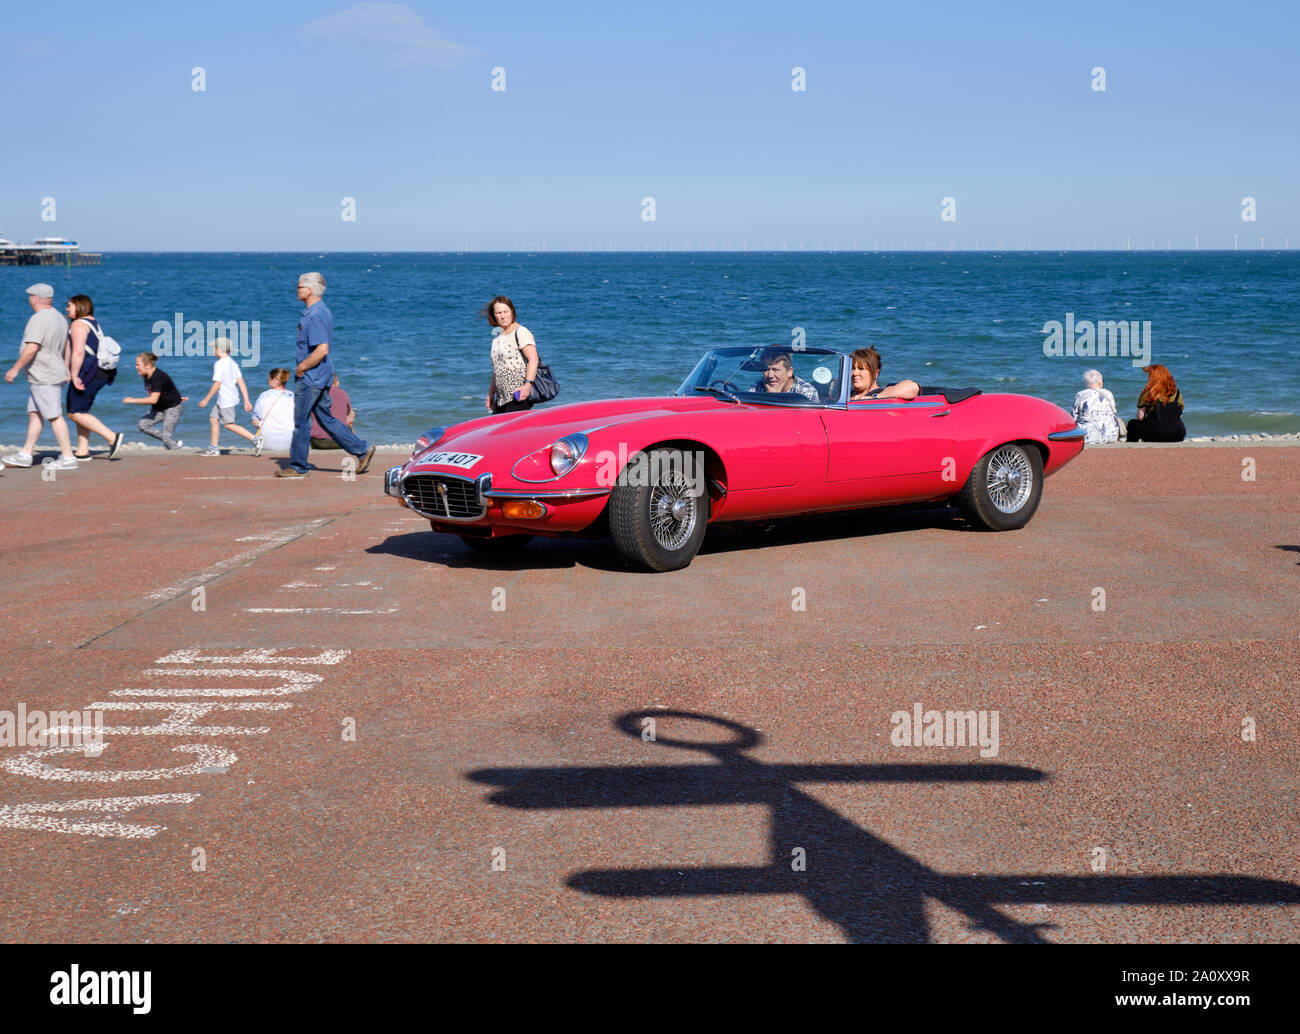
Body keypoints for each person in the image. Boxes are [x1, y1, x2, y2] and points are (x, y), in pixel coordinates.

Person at [280, 272, 375, 478]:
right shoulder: (319, 312)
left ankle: (298, 466)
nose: (296, 290)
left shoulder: (314, 315)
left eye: (299, 287)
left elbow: (322, 349)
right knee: (326, 419)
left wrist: (301, 367)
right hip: (321, 375)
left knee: (301, 422)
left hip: (311, 377)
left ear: (309, 290)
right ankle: (362, 449)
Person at [3, 284, 78, 470]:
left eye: (30, 297)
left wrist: (15, 369)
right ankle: (26, 454)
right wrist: (66, 368)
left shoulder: (38, 319)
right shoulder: (60, 317)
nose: (29, 300)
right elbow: (67, 345)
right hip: (50, 372)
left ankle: (68, 457)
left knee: (53, 415)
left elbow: (32, 347)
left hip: (45, 374)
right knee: (35, 414)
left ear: (35, 298)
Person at [64, 294, 124, 460]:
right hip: (101, 371)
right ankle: (82, 451)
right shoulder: (92, 322)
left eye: (70, 305)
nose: (67, 309)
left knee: (74, 412)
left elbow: (78, 352)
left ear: (80, 307)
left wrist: (74, 375)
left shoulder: (78, 325)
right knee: (81, 410)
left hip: (89, 372)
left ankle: (112, 437)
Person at [198, 338, 258, 456]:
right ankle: (214, 448)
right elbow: (241, 381)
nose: (213, 351)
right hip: (227, 398)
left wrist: (206, 399)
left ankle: (255, 439)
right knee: (213, 419)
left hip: (226, 399)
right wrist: (246, 400)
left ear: (219, 349)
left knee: (228, 424)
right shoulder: (232, 363)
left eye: (214, 349)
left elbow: (217, 384)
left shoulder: (219, 364)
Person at [483, 295, 539, 415]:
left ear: (512, 312)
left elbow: (533, 359)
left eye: (505, 312)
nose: (503, 316)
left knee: (512, 432)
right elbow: (497, 368)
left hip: (518, 394)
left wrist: (528, 385)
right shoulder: (498, 336)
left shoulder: (520, 332)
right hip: (501, 397)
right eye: (498, 313)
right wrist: (491, 393)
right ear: (493, 315)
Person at [125, 352, 187, 450]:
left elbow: (153, 399)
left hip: (172, 408)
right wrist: (175, 395)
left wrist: (132, 400)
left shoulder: (158, 377)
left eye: (138, 364)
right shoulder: (146, 375)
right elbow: (163, 389)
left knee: (166, 439)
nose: (136, 367)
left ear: (148, 365)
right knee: (143, 425)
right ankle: (173, 442)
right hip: (159, 409)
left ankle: (177, 454)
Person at [1126, 364, 1186, 443]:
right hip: (1177, 434)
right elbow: (1179, 416)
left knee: (1132, 424)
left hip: (1154, 434)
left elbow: (1140, 417)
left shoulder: (1149, 393)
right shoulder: (1177, 393)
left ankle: (1131, 448)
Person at [848, 346, 919, 401]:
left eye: (861, 369)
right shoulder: (847, 394)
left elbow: (912, 387)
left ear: (876, 373)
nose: (855, 373)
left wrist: (874, 398)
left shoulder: (883, 392)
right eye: (852, 368)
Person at [252, 368, 296, 452]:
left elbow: (255, 421)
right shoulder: (292, 396)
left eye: (269, 379)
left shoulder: (264, 396)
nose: (268, 381)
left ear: (274, 380)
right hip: (289, 442)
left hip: (266, 442)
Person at [1072, 369, 1121, 444]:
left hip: (1089, 436)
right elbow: (1114, 412)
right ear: (1100, 382)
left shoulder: (1080, 394)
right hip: (1111, 435)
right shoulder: (1108, 393)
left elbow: (1074, 416)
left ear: (1086, 382)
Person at [753, 348, 820, 400]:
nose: (770, 375)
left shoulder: (806, 392)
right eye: (766, 370)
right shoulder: (758, 386)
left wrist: (775, 398)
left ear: (790, 372)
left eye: (775, 370)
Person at [310, 374, 354, 450]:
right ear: (337, 383)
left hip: (317, 442)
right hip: (340, 442)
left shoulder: (314, 394)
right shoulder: (343, 394)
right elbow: (351, 416)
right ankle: (355, 451)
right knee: (349, 424)